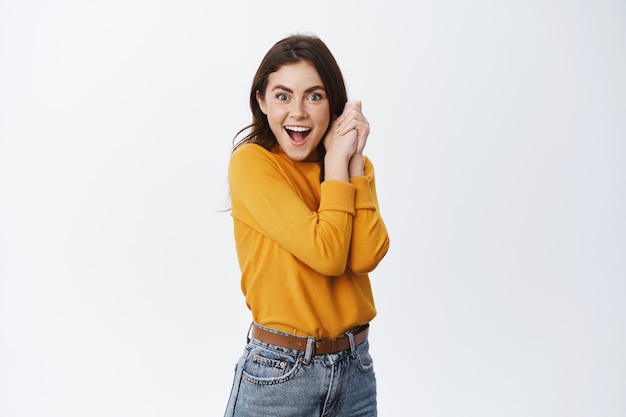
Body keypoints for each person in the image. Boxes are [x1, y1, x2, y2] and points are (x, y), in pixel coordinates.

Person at [224, 34, 390, 417]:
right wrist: (337, 163)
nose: (297, 111)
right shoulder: (252, 164)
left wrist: (351, 162)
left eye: (314, 96)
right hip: (280, 377)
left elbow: (365, 256)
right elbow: (328, 255)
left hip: (355, 371)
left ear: (333, 104)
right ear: (261, 101)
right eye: (282, 96)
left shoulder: (353, 168)